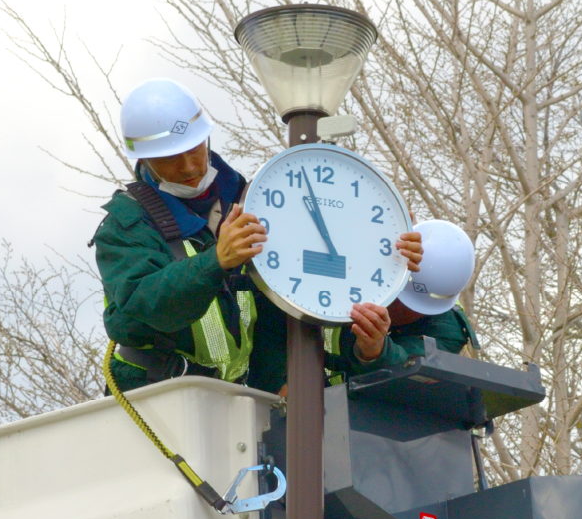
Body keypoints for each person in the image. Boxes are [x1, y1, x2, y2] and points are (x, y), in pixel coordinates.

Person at [94, 78, 423, 395]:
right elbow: (145, 304)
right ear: (144, 158)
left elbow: (292, 300)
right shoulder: (126, 225)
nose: (189, 166)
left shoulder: (255, 199)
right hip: (156, 397)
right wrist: (215, 262)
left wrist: (386, 250)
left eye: (194, 148)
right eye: (169, 158)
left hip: (234, 401)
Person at [328, 219, 479, 377]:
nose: (389, 305)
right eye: (392, 289)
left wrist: (375, 350)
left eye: (402, 302)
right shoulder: (388, 252)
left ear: (426, 312)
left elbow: (405, 361)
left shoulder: (447, 334)